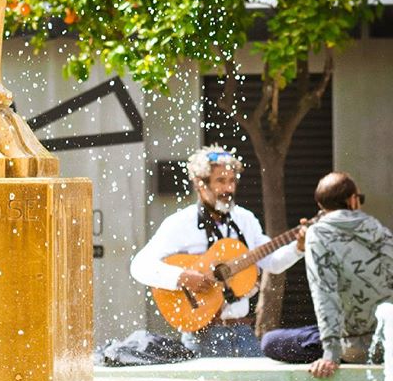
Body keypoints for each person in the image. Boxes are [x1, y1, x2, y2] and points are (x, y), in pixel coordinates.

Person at [130, 145, 305, 357]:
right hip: (202, 336)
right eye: (220, 181)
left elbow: (273, 262)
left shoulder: (245, 219)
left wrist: (298, 248)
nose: (228, 189)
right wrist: (182, 277)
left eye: (232, 181)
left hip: (243, 332)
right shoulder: (180, 223)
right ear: (200, 184)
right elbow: (139, 266)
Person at [261, 171, 393, 377]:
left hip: (353, 348)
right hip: (389, 340)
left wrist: (330, 354)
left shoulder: (318, 235)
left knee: (270, 342)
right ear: (353, 200)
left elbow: (324, 293)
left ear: (322, 206)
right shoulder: (380, 230)